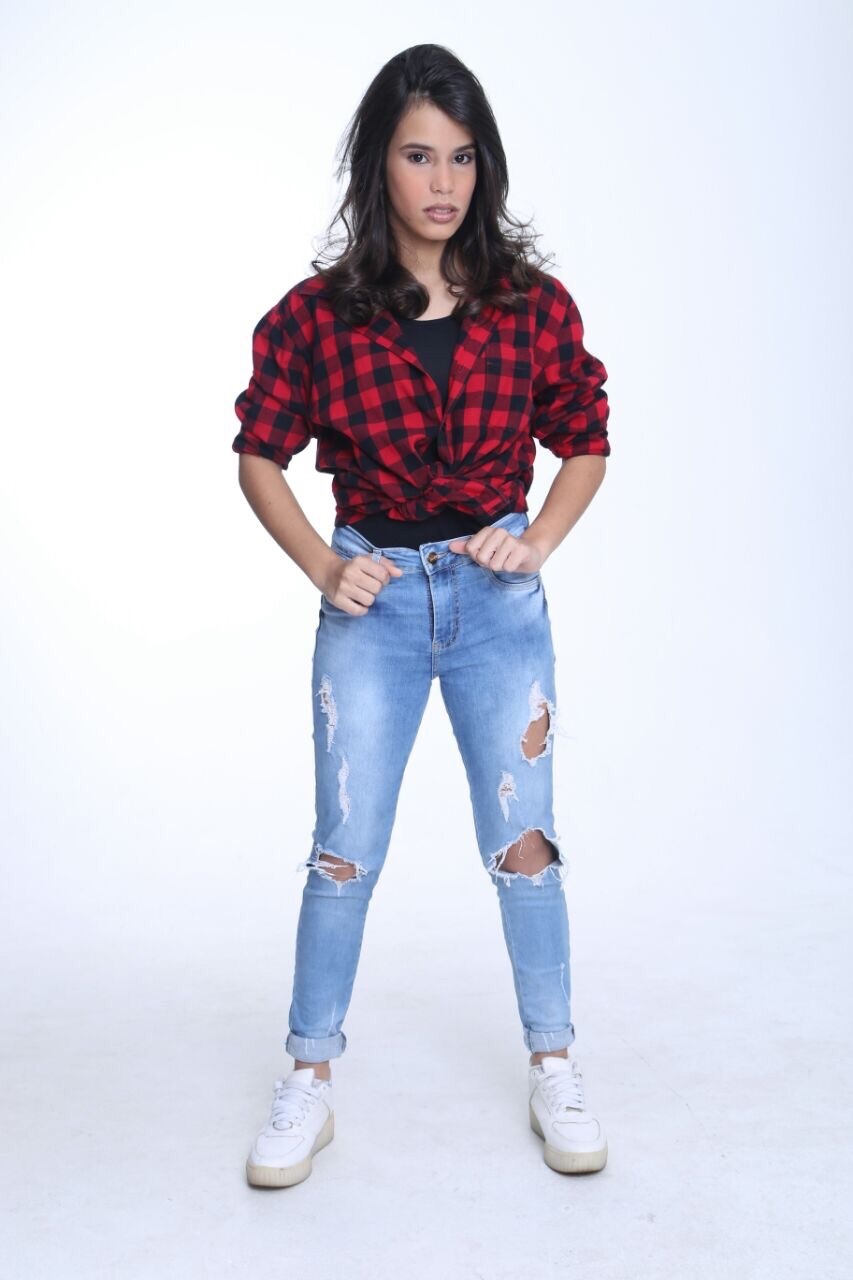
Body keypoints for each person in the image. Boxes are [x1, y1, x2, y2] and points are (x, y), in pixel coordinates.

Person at [232, 43, 612, 1187]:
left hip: (496, 606)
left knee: (525, 843)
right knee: (342, 848)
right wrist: (321, 564)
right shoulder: (317, 315)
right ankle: (308, 1076)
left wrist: (535, 540)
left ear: (483, 167)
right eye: (416, 155)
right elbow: (257, 454)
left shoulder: (530, 306)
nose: (441, 181)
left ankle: (555, 1061)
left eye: (460, 156)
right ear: (377, 166)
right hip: (378, 604)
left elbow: (585, 436)